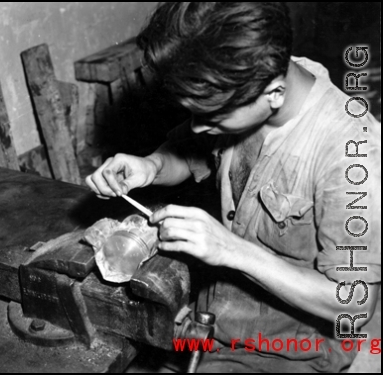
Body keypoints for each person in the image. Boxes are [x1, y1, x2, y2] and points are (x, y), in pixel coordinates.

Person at [86, 2, 381, 372]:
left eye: (211, 116)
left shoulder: (354, 155)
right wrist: (152, 166)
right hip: (209, 316)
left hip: (287, 347)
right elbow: (191, 150)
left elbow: (353, 305)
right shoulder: (249, 78)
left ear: (273, 92)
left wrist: (231, 249)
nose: (195, 127)